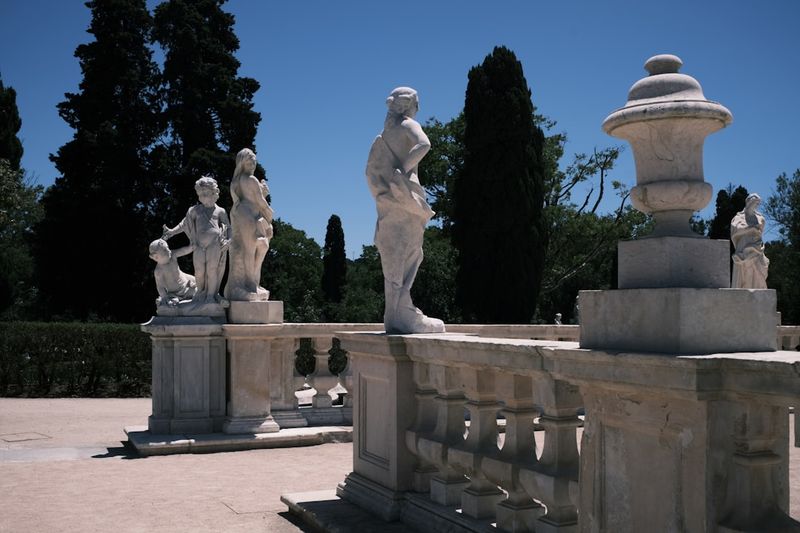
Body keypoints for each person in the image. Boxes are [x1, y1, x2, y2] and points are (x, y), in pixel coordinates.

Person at [366, 87, 444, 334]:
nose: (418, 108)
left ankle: (396, 311)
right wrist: (405, 168)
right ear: (409, 105)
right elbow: (424, 144)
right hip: (404, 199)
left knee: (394, 254)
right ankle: (403, 312)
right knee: (411, 252)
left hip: (388, 203)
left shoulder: (384, 134)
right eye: (417, 103)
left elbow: (369, 172)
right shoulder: (408, 124)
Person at [162, 177, 231, 304]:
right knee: (199, 271)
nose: (202, 197)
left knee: (212, 270)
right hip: (198, 245)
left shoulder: (220, 211)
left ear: (214, 192)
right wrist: (172, 232)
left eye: (205, 194)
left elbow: (229, 227)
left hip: (214, 245)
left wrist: (229, 240)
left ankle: (211, 295)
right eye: (199, 194)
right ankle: (200, 292)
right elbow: (184, 224)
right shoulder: (195, 210)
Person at [225, 148, 273, 302]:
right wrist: (269, 212)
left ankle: (253, 284)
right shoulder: (250, 179)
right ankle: (251, 285)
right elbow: (259, 201)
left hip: (246, 214)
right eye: (248, 160)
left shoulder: (238, 180)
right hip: (250, 215)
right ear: (241, 163)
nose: (252, 163)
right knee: (251, 249)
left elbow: (254, 198)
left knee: (260, 246)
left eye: (253, 159)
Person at [731, 193, 769, 289]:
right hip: (744, 247)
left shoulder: (761, 218)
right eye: (754, 202)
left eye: (758, 203)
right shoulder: (738, 217)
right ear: (748, 202)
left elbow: (760, 232)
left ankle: (758, 295)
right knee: (746, 272)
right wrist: (750, 229)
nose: (756, 205)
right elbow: (735, 230)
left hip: (757, 247)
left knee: (759, 272)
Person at [148, 239, 196, 308]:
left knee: (200, 283)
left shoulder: (172, 255)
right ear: (156, 257)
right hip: (176, 292)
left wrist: (191, 247)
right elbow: (160, 287)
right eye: (165, 250)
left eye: (168, 248)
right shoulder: (159, 271)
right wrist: (165, 298)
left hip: (186, 280)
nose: (168, 250)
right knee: (196, 292)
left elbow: (183, 251)